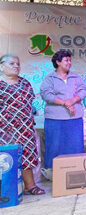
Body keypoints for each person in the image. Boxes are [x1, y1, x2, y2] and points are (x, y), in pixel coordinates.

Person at [0, 54, 45, 195]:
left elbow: (29, 104)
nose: (16, 66)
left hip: (24, 128)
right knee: (6, 159)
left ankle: (30, 186)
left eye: (18, 64)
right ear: (2, 66)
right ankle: (7, 189)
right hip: (4, 129)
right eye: (12, 64)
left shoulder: (25, 83)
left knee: (27, 156)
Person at [40, 50, 86, 178]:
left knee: (75, 145)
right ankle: (54, 175)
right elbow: (46, 94)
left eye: (70, 60)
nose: (69, 63)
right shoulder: (50, 78)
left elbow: (83, 91)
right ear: (58, 62)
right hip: (55, 118)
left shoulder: (76, 77)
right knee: (54, 145)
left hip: (74, 118)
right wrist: (64, 103)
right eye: (66, 60)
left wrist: (72, 100)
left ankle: (76, 172)